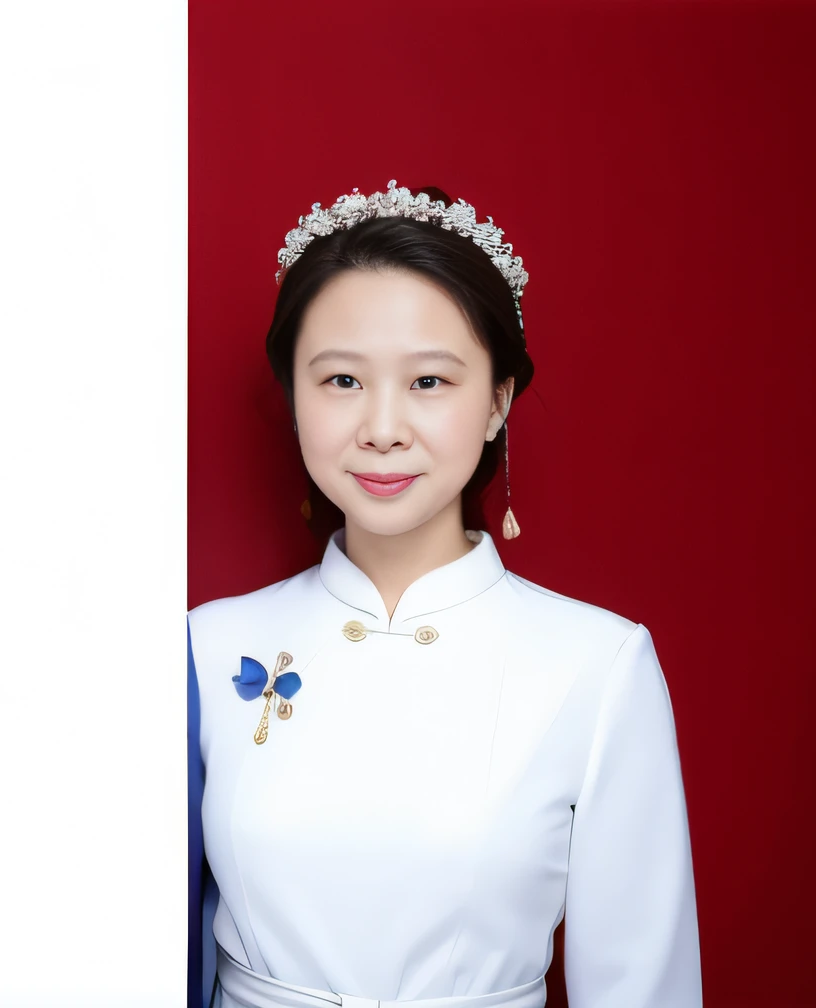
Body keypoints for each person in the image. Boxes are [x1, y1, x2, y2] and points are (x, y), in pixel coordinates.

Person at [186, 182, 701, 1008]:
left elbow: (641, 984)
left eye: (429, 382)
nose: (383, 426)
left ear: (497, 400)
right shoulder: (206, 649)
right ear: (292, 395)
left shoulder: (596, 666)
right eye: (341, 380)